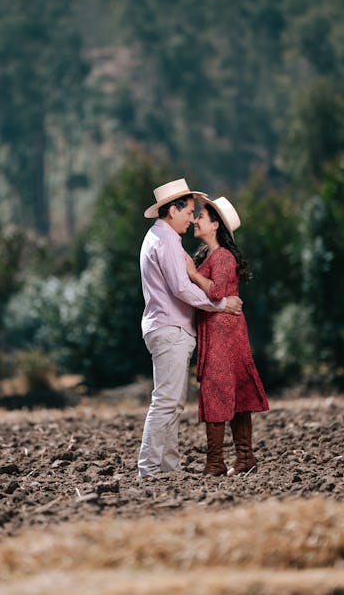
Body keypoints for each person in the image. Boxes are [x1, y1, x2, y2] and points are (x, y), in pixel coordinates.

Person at [138, 179, 243, 479]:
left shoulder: (156, 237)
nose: (190, 218)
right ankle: (148, 467)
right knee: (167, 402)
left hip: (163, 327)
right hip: (171, 328)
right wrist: (222, 305)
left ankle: (169, 466)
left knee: (171, 402)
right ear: (172, 210)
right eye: (188, 212)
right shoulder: (168, 240)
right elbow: (181, 287)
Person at [185, 196, 269, 476]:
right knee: (230, 388)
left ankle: (218, 462)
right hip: (222, 329)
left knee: (218, 388)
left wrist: (193, 275)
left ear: (215, 225)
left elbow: (217, 291)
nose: (196, 219)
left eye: (201, 217)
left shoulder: (223, 257)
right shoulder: (213, 256)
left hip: (224, 331)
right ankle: (243, 458)